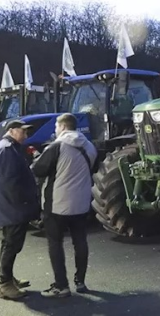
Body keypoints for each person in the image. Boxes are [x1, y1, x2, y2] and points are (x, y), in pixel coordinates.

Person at [31, 113, 97, 298]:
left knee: (55, 243)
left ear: (63, 127)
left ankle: (62, 285)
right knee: (80, 241)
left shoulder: (57, 146)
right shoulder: (89, 147)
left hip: (57, 205)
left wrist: (36, 158)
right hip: (81, 203)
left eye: (56, 128)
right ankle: (81, 282)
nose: (55, 131)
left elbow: (38, 169)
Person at [0, 119, 40, 300]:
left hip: (12, 207)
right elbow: (10, 182)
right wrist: (24, 203)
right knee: (11, 245)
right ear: (11, 131)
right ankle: (4, 285)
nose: (26, 136)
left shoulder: (9, 148)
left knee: (9, 244)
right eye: (23, 132)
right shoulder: (6, 150)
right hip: (13, 208)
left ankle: (9, 279)